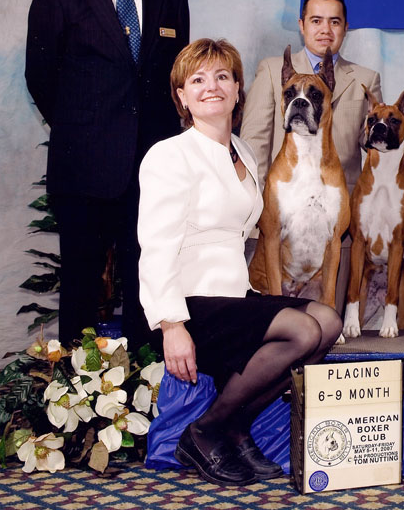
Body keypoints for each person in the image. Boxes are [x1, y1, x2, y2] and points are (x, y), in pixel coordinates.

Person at [138, 39, 342, 485]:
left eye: (222, 77)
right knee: (303, 329)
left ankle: (234, 424)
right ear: (181, 96)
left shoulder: (245, 155)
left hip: (235, 296)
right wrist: (172, 326)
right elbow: (154, 247)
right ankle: (205, 430)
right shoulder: (169, 155)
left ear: (237, 91)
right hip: (192, 304)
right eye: (197, 80)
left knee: (328, 321)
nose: (211, 87)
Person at [25, 0, 190, 347]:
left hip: (153, 170)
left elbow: (177, 80)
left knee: (149, 284)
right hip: (83, 171)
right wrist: (88, 132)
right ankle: (76, 397)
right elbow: (40, 77)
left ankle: (146, 387)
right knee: (80, 284)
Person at [240, 0, 382, 315]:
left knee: (327, 325)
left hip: (334, 227)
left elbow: (373, 151)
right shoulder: (274, 69)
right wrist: (255, 208)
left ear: (346, 28)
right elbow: (254, 141)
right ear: (302, 25)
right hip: (281, 217)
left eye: (335, 22)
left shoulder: (365, 79)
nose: (325, 30)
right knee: (273, 322)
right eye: (316, 20)